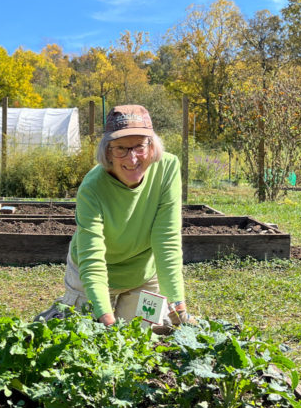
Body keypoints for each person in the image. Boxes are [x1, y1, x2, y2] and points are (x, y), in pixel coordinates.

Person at [41, 104, 194, 326]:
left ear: (152, 146)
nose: (132, 159)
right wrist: (106, 318)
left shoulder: (167, 168)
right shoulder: (92, 187)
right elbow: (93, 259)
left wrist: (178, 306)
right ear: (108, 151)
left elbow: (167, 239)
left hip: (142, 274)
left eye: (140, 147)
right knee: (82, 336)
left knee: (143, 337)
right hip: (92, 275)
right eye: (121, 148)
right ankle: (53, 317)